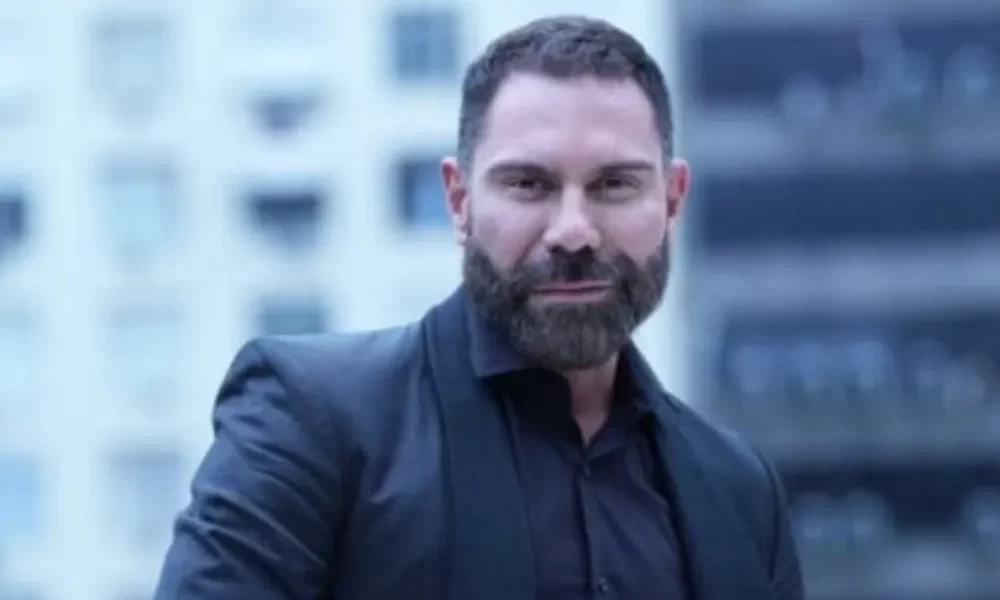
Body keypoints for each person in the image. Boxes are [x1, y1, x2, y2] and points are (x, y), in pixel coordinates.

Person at [153, 14, 805, 600]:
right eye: (528, 184)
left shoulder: (739, 486)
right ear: (459, 200)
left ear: (672, 200)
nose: (572, 231)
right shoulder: (310, 419)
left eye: (614, 184)